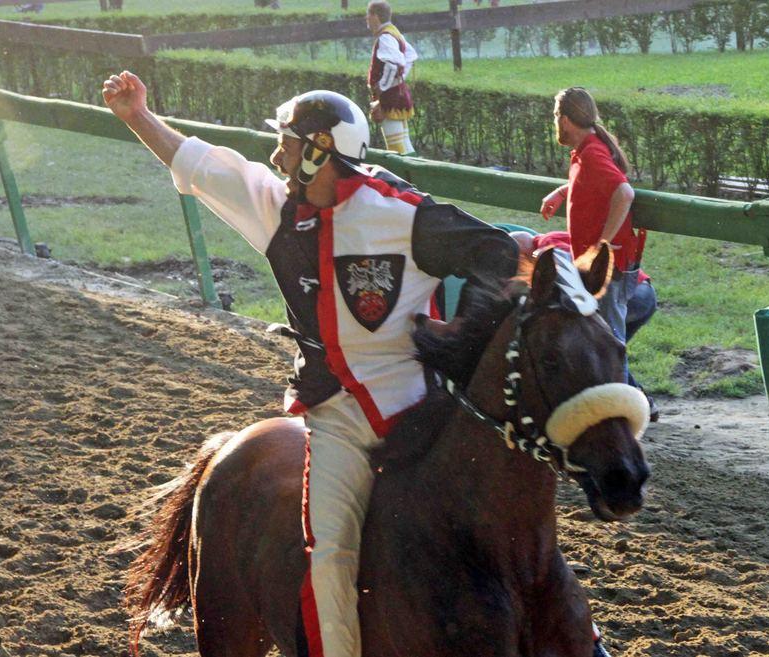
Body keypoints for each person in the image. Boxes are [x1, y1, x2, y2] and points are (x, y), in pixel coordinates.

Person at [101, 70, 518, 657]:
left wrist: (464, 335)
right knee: (330, 557)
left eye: (287, 143)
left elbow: (496, 250)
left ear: (320, 150)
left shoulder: (403, 212)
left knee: (510, 525)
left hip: (422, 410)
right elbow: (200, 165)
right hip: (335, 419)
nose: (276, 154)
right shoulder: (276, 209)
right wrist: (137, 116)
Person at [539, 87, 641, 377]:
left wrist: (603, 244)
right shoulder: (586, 150)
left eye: (555, 116)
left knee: (609, 342)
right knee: (602, 339)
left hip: (609, 269)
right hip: (601, 268)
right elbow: (595, 184)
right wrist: (562, 191)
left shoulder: (592, 152)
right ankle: (629, 402)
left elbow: (624, 192)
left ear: (565, 119)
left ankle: (624, 411)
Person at [512, 230, 659, 422]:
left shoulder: (546, 244)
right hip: (644, 294)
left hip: (629, 296)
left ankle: (621, 410)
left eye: (520, 258)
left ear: (525, 250)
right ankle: (644, 402)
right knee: (604, 353)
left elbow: (568, 266)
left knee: (602, 349)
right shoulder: (553, 237)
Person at [366, 1, 418, 156]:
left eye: (368, 14)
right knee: (404, 142)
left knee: (396, 145)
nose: (366, 18)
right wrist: (399, 80)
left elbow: (393, 64)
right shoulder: (395, 33)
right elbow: (410, 56)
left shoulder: (385, 37)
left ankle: (405, 179)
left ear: (375, 16)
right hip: (399, 94)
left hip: (390, 98)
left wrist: (382, 87)